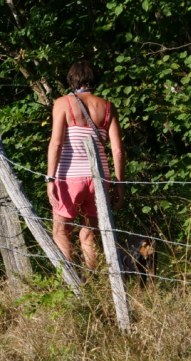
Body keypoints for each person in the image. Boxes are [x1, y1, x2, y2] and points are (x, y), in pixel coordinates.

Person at [47, 60, 125, 271]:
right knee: (89, 234)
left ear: (72, 79)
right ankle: (89, 281)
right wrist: (119, 184)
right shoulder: (108, 107)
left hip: (69, 177)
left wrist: (50, 178)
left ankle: (70, 285)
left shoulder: (63, 103)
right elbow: (117, 150)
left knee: (61, 231)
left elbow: (56, 143)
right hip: (100, 178)